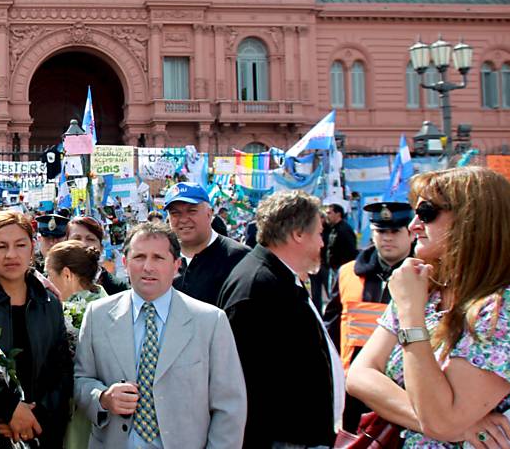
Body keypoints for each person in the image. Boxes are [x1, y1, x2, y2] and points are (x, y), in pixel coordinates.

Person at [347, 167, 510, 448]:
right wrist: (452, 427)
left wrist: (410, 316)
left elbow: (444, 419)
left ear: (474, 221)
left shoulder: (509, 303)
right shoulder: (425, 287)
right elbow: (360, 375)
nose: (413, 225)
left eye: (428, 213)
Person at [74, 221, 247, 448]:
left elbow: (229, 406)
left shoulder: (209, 321)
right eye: (139, 257)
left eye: (158, 258)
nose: (148, 267)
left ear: (176, 266)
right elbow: (79, 381)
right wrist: (102, 398)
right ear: (125, 263)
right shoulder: (98, 315)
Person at [218, 190, 343, 449]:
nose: (322, 243)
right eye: (319, 234)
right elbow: (239, 383)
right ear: (298, 234)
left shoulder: (277, 278)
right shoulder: (256, 286)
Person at [0, 210, 71, 448]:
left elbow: (60, 371)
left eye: (20, 245)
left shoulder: (49, 302)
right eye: (1, 247)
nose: (11, 255)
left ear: (32, 248)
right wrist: (7, 412)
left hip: (40, 431)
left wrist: (34, 418)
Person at [323, 200, 414, 433]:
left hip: (406, 390)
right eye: (381, 231)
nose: (388, 238)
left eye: (395, 231)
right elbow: (331, 331)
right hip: (355, 390)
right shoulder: (348, 273)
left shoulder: (425, 276)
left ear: (411, 233)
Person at [44, 240, 107, 449]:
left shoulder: (61, 316)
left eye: (49, 275)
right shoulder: (111, 305)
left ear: (67, 275)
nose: (47, 281)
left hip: (77, 412)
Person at [166, 182, 250, 306]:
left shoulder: (239, 257)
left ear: (209, 214)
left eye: (192, 211)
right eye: (175, 213)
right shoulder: (162, 257)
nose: (183, 219)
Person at [68, 215, 129, 295]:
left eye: (90, 239)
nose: (83, 244)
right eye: (76, 239)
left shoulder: (120, 290)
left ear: (101, 248)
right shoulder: (53, 283)